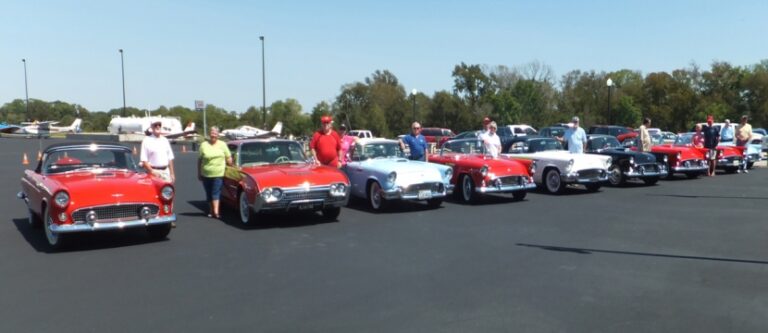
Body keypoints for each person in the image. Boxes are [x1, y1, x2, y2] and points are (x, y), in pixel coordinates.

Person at [197, 127, 232, 219]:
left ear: (218, 135)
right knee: (208, 193)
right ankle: (211, 210)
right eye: (212, 133)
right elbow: (200, 160)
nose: (213, 135)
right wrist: (199, 173)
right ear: (209, 134)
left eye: (215, 133)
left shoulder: (223, 145)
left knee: (215, 192)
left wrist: (231, 163)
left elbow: (228, 157)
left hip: (218, 173)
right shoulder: (203, 145)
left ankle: (216, 212)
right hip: (206, 173)